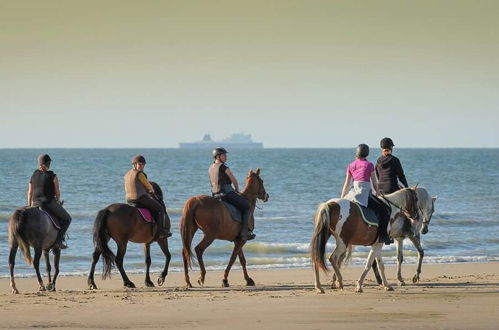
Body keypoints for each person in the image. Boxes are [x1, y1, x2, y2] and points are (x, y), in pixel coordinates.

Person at [340, 144, 392, 244]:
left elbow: (346, 184)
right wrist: (377, 193)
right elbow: (375, 182)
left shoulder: (351, 165)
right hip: (364, 194)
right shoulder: (369, 165)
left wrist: (342, 197)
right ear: (366, 154)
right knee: (385, 210)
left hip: (353, 192)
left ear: (357, 153)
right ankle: (383, 236)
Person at [208, 147, 255, 241]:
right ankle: (244, 232)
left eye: (226, 155)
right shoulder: (224, 167)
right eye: (224, 155)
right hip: (226, 194)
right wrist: (237, 189)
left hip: (215, 195)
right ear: (217, 156)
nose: (226, 157)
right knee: (246, 206)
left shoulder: (210, 167)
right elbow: (234, 181)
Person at [28, 154, 72, 249]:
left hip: (35, 203)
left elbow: (30, 192)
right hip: (48, 203)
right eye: (49, 163)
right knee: (68, 219)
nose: (49, 165)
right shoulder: (53, 175)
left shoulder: (33, 175)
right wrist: (58, 201)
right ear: (45, 164)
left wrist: (29, 206)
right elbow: (57, 192)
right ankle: (58, 241)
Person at [124, 155, 171, 238]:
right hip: (140, 199)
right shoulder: (140, 174)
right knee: (159, 209)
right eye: (139, 164)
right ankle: (160, 232)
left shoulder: (127, 174)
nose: (141, 166)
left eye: (143, 164)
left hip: (129, 200)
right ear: (134, 164)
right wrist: (152, 191)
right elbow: (148, 186)